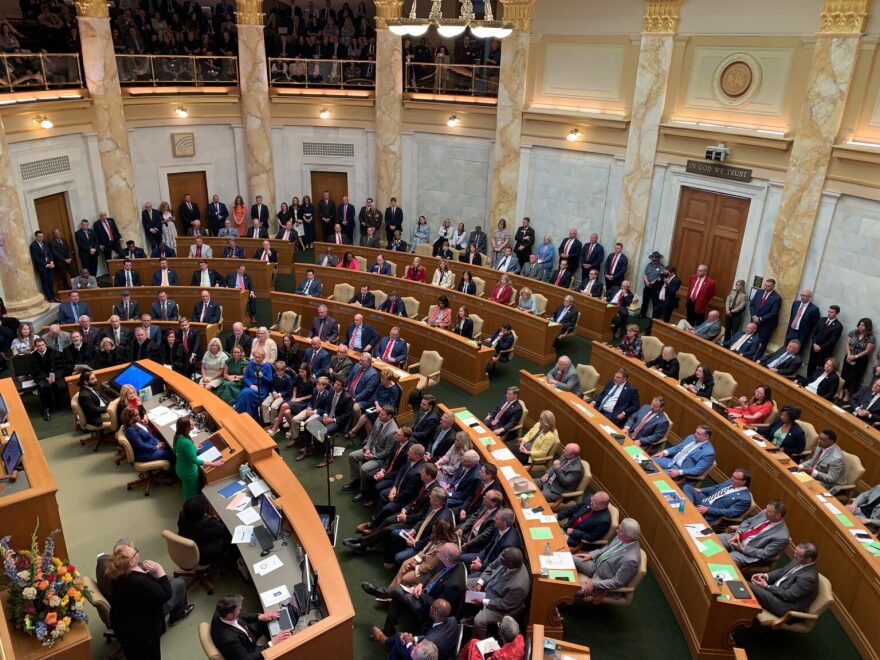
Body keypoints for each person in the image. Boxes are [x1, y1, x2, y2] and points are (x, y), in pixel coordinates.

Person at [103, 541, 192, 659]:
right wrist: (160, 571)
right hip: (143, 633)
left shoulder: (118, 572)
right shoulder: (140, 582)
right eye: (134, 550)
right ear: (132, 562)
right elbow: (165, 594)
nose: (133, 548)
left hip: (123, 625)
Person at [463, 547, 530, 639]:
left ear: (510, 563)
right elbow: (491, 567)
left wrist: (483, 601)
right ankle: (466, 613)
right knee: (463, 583)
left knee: (479, 620)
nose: (500, 557)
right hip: (489, 584)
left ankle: (477, 644)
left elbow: (504, 605)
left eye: (502, 558)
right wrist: (480, 583)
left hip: (502, 607)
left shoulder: (519, 586)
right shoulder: (505, 557)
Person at [573, 518, 641, 600]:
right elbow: (607, 548)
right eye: (619, 527)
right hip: (595, 565)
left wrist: (593, 583)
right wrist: (591, 555)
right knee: (568, 558)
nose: (617, 531)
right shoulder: (621, 537)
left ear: (629, 537)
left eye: (620, 530)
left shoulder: (631, 559)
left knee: (575, 591)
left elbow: (616, 582)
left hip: (602, 580)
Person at [749, 542, 820, 617]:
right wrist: (765, 576)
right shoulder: (799, 560)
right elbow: (781, 571)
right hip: (777, 591)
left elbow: (788, 596)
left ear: (809, 560)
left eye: (798, 555)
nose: (794, 556)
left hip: (783, 605)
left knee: (747, 586)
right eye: (795, 553)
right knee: (746, 584)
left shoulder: (808, 578)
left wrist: (767, 586)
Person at [210, 594, 290, 658]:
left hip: (245, 633)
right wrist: (272, 643)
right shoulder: (230, 640)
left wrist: (259, 616)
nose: (240, 609)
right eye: (239, 609)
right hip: (249, 651)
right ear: (230, 615)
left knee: (267, 621)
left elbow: (240, 616)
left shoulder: (221, 610)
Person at [373, 598, 457, 660]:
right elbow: (425, 638)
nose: (430, 608)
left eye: (431, 607)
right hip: (439, 654)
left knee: (399, 639)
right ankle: (389, 644)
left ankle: (386, 642)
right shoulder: (453, 621)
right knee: (399, 642)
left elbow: (417, 656)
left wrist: (409, 643)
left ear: (435, 613)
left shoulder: (432, 639)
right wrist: (413, 639)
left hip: (425, 657)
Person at [718, 500, 790, 568]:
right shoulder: (764, 513)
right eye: (766, 509)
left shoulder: (782, 537)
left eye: (769, 511)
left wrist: (743, 549)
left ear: (778, 516)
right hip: (737, 538)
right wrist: (738, 533)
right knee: (710, 541)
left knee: (723, 563)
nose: (765, 512)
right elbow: (748, 522)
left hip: (747, 553)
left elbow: (765, 554)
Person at [175, 416, 223, 501]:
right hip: (189, 472)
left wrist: (193, 448)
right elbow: (195, 460)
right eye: (191, 424)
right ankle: (191, 507)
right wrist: (213, 464)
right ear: (186, 427)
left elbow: (180, 450)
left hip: (181, 468)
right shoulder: (185, 443)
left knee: (187, 489)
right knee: (191, 493)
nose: (194, 423)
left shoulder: (178, 436)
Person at [683, 468, 752, 527]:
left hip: (711, 513)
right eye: (732, 476)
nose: (731, 479)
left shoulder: (745, 499)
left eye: (735, 478)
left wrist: (708, 509)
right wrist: (701, 490)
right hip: (704, 500)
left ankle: (690, 510)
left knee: (686, 519)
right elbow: (716, 487)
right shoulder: (730, 482)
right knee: (687, 487)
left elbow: (730, 512)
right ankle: (691, 508)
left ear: (743, 481)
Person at [177, 494, 233, 565]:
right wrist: (214, 520)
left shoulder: (182, 517)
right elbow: (223, 530)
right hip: (203, 555)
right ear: (203, 512)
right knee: (230, 535)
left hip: (187, 550)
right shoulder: (207, 524)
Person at [840, 318, 875, 402]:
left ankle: (848, 394)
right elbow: (847, 343)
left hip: (860, 360)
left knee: (853, 378)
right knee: (844, 374)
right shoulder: (853, 332)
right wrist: (848, 354)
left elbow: (867, 350)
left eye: (863, 325)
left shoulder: (870, 337)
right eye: (860, 324)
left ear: (868, 327)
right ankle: (841, 392)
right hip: (849, 357)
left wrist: (855, 357)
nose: (861, 327)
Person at [234, 349, 275, 420]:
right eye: (255, 357)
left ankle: (242, 412)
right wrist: (250, 385)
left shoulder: (267, 366)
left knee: (246, 393)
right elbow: (245, 377)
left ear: (263, 357)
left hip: (261, 388)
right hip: (250, 386)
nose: (257, 359)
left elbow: (270, 381)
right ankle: (241, 413)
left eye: (259, 357)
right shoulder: (250, 363)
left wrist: (262, 377)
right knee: (245, 392)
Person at [749, 279, 782, 356]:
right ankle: (747, 354)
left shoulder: (777, 298)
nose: (766, 287)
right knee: (749, 338)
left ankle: (757, 359)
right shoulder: (759, 292)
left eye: (768, 286)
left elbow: (774, 312)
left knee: (762, 343)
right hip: (754, 320)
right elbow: (752, 304)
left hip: (766, 324)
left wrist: (760, 319)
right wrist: (754, 316)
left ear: (773, 286)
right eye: (765, 285)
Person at [807, 305, 843, 375]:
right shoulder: (821, 319)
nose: (829, 313)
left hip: (825, 351)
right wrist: (814, 344)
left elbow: (833, 340)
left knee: (821, 368)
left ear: (837, 313)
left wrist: (820, 347)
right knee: (811, 365)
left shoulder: (838, 326)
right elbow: (814, 333)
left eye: (832, 312)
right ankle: (807, 380)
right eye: (828, 311)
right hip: (814, 347)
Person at [29, 230, 57, 302]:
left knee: (50, 282)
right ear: (36, 237)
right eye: (39, 237)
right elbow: (36, 258)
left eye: (42, 236)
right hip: (42, 268)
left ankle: (54, 296)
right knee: (45, 283)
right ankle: (49, 298)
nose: (41, 238)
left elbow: (49, 253)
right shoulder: (33, 245)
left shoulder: (45, 243)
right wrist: (47, 265)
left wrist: (51, 262)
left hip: (50, 266)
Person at [638, 251, 665, 318]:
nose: (653, 261)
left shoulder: (661, 267)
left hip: (655, 288)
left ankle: (654, 317)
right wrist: (647, 282)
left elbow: (659, 277)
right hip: (647, 286)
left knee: (655, 303)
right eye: (653, 259)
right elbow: (645, 274)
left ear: (658, 260)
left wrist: (652, 283)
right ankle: (642, 314)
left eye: (655, 260)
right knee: (645, 301)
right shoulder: (649, 265)